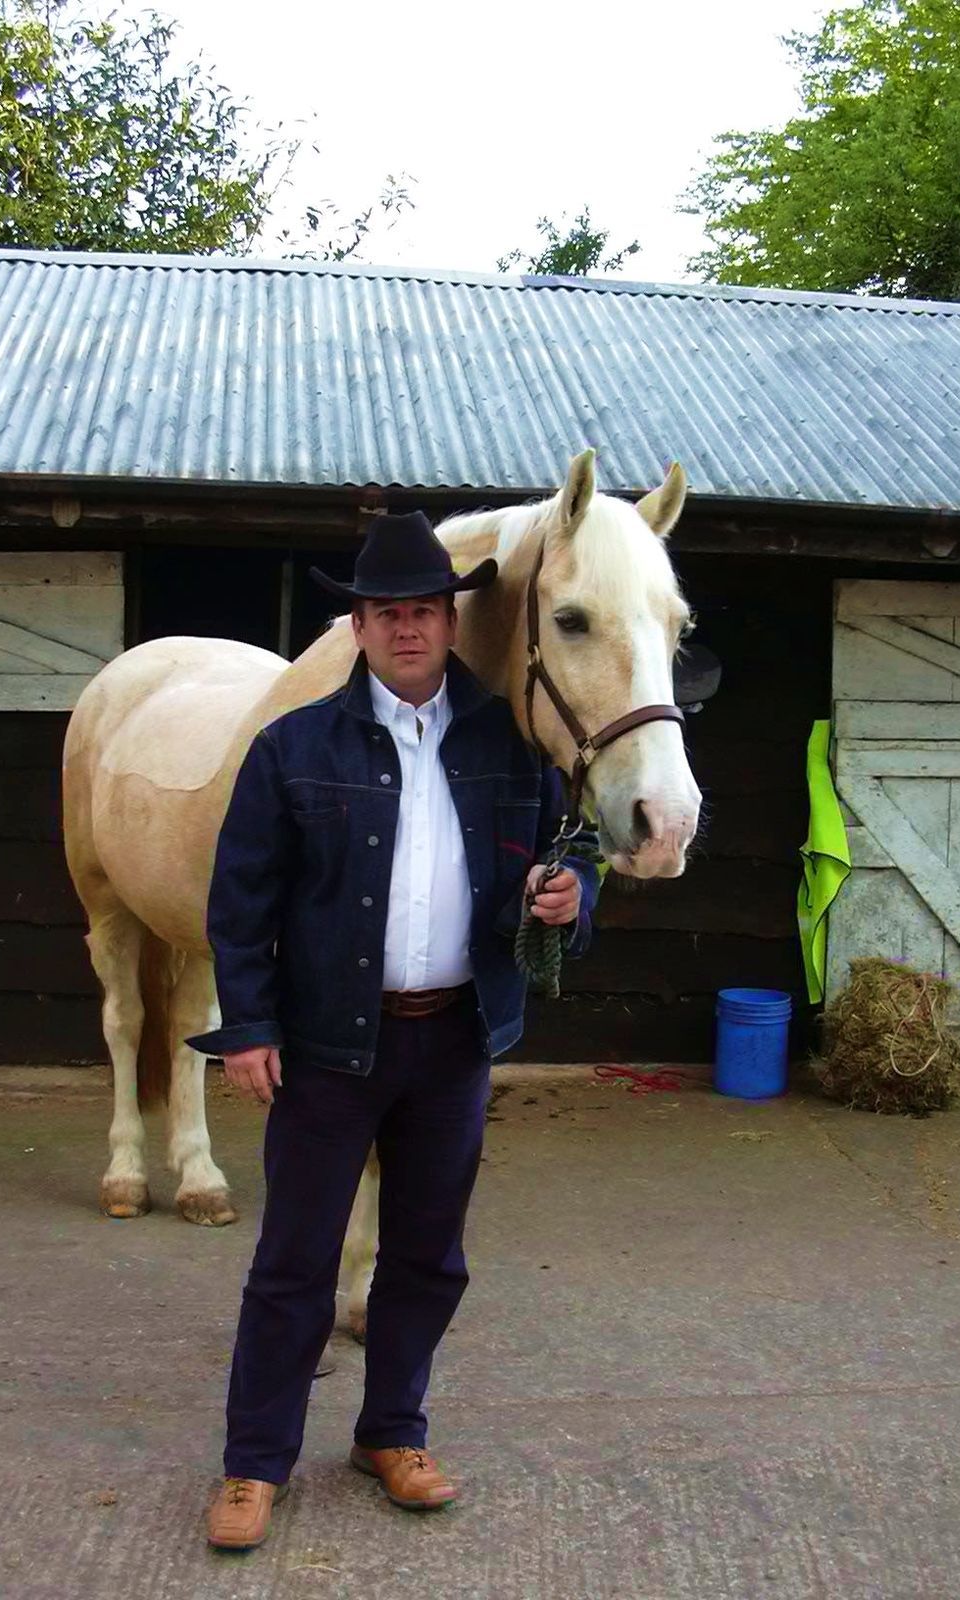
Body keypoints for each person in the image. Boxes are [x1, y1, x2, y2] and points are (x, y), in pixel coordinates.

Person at [186, 510, 600, 1550]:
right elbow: (239, 903)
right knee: (294, 1263)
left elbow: (572, 852)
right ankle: (254, 1463)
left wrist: (571, 898)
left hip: (453, 1043)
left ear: (452, 623)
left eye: (424, 610)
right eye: (386, 613)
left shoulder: (513, 743)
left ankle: (393, 1433)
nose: (407, 628)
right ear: (359, 627)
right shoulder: (293, 748)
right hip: (326, 1049)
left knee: (425, 1258)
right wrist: (247, 1026)